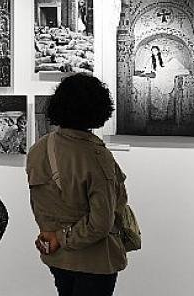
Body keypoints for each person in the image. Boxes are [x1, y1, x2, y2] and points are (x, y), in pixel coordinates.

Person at [27, 73, 129, 296]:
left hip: (57, 257)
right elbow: (101, 222)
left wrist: (54, 237)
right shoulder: (95, 156)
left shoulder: (39, 149)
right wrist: (62, 238)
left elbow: (39, 205)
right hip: (93, 260)